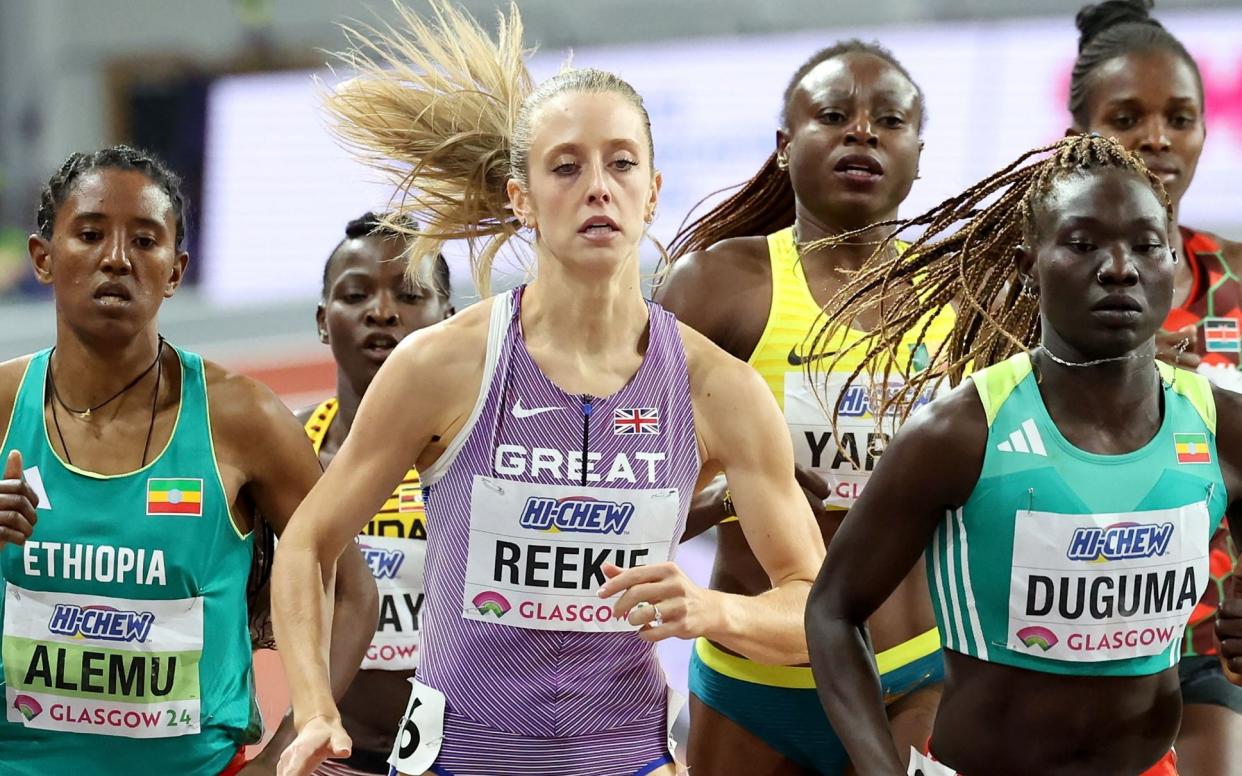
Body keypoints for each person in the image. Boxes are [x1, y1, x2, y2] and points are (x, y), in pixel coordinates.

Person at [270, 4, 824, 776]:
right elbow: (306, 543)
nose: (598, 187)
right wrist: (314, 708)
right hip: (458, 759)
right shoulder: (445, 366)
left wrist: (713, 610)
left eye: (621, 164)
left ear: (653, 190)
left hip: (625, 757)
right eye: (566, 167)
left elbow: (812, 605)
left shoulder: (713, 389)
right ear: (522, 197)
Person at [805, 133, 1242, 775]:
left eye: (1146, 246)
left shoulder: (1220, 424)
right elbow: (833, 611)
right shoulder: (958, 433)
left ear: (1170, 261)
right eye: (1083, 243)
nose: (1118, 267)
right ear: (1027, 262)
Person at [0, 146, 377, 775]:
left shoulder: (242, 418)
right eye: (90, 234)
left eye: (144, 241)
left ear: (174, 272)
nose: (116, 258)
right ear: (44, 257)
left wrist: (287, 747)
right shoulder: (2, 405)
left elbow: (350, 593)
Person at [655, 41, 946, 775]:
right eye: (833, 115)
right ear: (784, 148)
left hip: (906, 673)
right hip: (751, 674)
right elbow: (634, 497)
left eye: (890, 121)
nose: (863, 133)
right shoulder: (719, 287)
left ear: (918, 155)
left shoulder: (957, 302)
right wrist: (734, 496)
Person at [1067, 4, 1242, 772]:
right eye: (1128, 117)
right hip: (1055, 639)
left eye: (1181, 117)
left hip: (1205, 642)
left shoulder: (1234, 282)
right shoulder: (1018, 288)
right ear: (1080, 138)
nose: (1158, 139)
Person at [299, 212, 453, 775]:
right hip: (331, 756)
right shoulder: (289, 449)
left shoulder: (490, 453)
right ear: (323, 320)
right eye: (356, 293)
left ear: (449, 319)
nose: (381, 311)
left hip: (462, 756)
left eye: (409, 295)